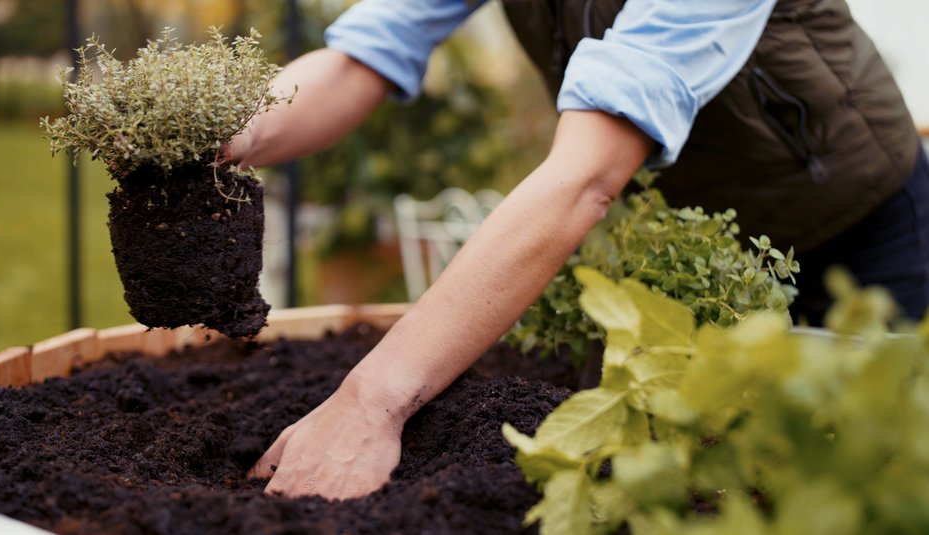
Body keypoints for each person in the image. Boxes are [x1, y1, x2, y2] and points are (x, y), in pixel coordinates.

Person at [224, 0, 928, 499]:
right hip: (710, 257)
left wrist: (370, 401)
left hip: (864, 226)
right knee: (728, 484)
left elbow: (585, 175)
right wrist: (223, 132)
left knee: (882, 472)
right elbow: (362, 56)